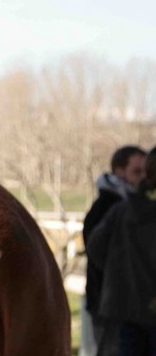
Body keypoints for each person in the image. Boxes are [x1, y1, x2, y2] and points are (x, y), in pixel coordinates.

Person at [86, 146, 156, 356]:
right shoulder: (109, 207)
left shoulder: (122, 209)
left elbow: (95, 247)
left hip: (124, 309)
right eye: (136, 171)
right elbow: (95, 247)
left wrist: (122, 282)